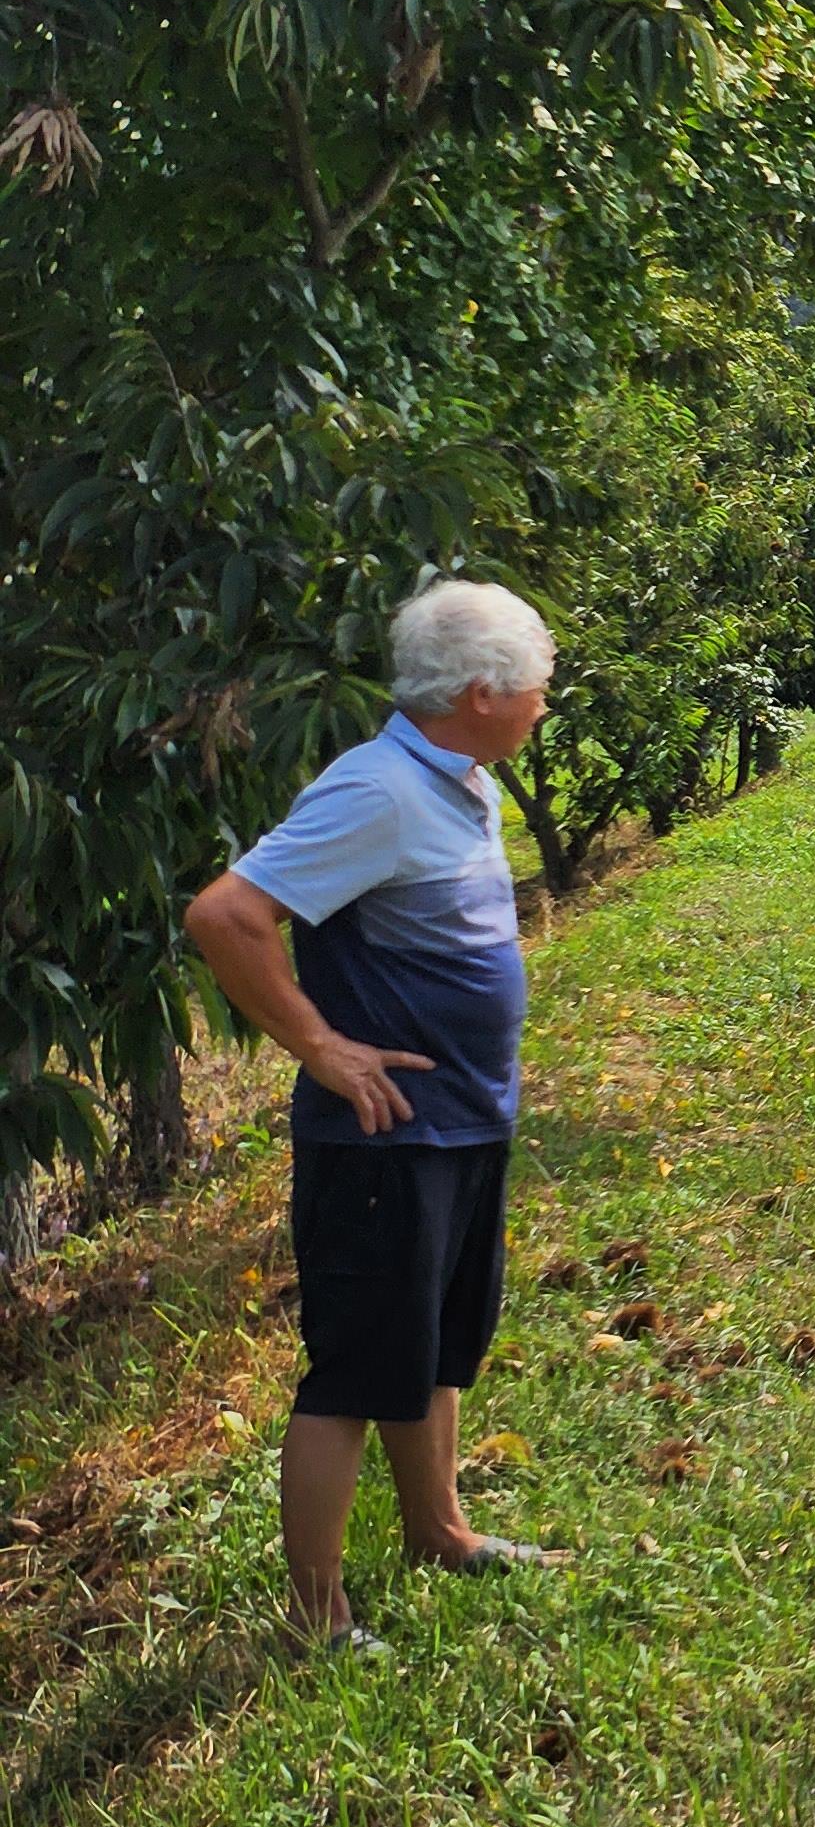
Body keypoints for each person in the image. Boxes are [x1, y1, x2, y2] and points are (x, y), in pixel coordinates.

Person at [185, 578, 566, 1650]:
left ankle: (440, 1530)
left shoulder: (461, 780)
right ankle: (316, 1617)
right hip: (386, 1140)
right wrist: (321, 1046)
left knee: (437, 1346)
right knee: (355, 1370)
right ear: (484, 691)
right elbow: (227, 915)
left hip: (462, 1122)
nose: (546, 700)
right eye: (537, 682)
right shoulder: (378, 791)